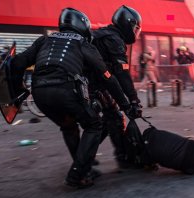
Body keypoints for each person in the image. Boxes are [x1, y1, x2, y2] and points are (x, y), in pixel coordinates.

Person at [10, 8, 130, 188]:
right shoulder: (82, 42)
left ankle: (83, 169)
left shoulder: (44, 40)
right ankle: (77, 174)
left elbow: (17, 62)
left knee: (68, 126)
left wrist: (17, 91)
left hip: (40, 94)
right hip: (66, 89)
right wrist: (125, 103)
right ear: (82, 24)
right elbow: (108, 77)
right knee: (94, 125)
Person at [91, 5, 143, 167]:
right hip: (93, 84)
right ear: (128, 24)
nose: (135, 32)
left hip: (89, 83)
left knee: (107, 118)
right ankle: (122, 158)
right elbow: (122, 73)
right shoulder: (114, 39)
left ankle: (85, 154)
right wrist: (133, 99)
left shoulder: (102, 34)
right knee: (113, 118)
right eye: (135, 28)